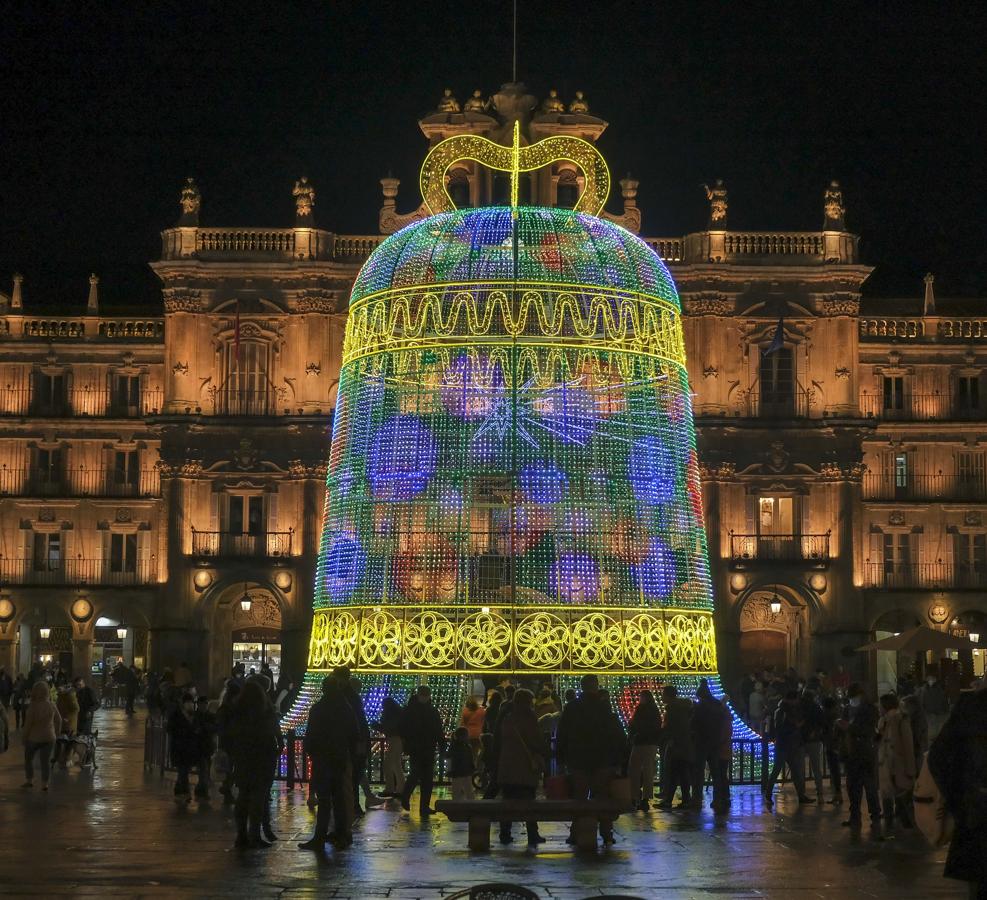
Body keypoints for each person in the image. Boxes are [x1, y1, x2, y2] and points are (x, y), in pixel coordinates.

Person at [928, 685, 987, 898]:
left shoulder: (970, 706)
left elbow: (939, 756)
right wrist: (961, 799)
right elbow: (939, 757)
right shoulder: (972, 706)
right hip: (978, 813)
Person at [556, 674, 624, 844]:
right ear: (595, 686)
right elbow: (616, 735)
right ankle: (606, 832)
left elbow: (562, 733)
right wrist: (617, 760)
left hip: (578, 759)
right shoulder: (604, 707)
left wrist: (560, 757)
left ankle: (576, 831)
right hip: (603, 760)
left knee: (579, 798)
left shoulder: (572, 708)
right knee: (602, 796)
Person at [298, 676, 358, 851]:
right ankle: (342, 834)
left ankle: (320, 836)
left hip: (322, 758)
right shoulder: (345, 708)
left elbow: (311, 733)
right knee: (339, 798)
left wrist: (311, 750)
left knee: (324, 799)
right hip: (339, 757)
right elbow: (354, 733)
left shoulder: (318, 709)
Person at [228, 679, 282, 848]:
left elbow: (230, 734)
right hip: (263, 757)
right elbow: (276, 735)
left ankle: (241, 834)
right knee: (259, 797)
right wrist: (276, 750)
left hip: (243, 758)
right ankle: (254, 834)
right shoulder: (266, 713)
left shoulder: (237, 712)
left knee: (243, 795)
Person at [496, 688, 546, 846]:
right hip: (524, 767)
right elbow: (535, 740)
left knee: (507, 802)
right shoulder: (529, 718)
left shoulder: (507, 717)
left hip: (507, 767)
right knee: (529, 803)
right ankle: (532, 833)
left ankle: (505, 832)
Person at [837, 683, 882, 835]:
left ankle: (875, 815)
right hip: (851, 753)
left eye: (853, 697)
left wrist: (848, 727)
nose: (852, 700)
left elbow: (868, 730)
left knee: (869, 786)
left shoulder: (870, 710)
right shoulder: (847, 709)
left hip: (865, 752)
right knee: (852, 787)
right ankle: (854, 815)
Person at [399, 685, 446, 817]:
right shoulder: (431, 711)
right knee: (423, 777)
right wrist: (441, 746)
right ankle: (422, 806)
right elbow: (438, 730)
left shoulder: (410, 710)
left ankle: (409, 798)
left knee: (419, 776)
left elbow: (403, 728)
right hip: (425, 747)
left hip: (419, 747)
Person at [764, 691, 812, 808]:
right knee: (779, 770)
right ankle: (769, 794)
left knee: (793, 771)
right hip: (784, 745)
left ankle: (800, 795)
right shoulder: (783, 712)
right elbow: (781, 728)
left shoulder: (782, 710)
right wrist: (796, 726)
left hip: (787, 744)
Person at [876, 692, 916, 831]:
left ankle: (907, 823)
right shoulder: (883, 721)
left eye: (880, 705)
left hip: (898, 764)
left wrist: (910, 769)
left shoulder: (900, 720)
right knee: (887, 794)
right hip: (885, 764)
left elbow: (908, 745)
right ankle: (889, 824)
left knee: (900, 795)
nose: (878, 707)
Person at [692, 681, 730, 812]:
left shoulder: (700, 707)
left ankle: (696, 799)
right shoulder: (717, 707)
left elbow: (694, 724)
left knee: (699, 773)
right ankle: (717, 799)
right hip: (715, 744)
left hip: (702, 743)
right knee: (716, 774)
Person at [658, 684, 694, 809]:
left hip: (677, 745)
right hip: (683, 745)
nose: (662, 697)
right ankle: (684, 799)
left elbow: (672, 728)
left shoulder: (674, 710)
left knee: (674, 773)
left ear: (668, 695)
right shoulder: (681, 709)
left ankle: (670, 800)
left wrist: (668, 737)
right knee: (681, 774)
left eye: (663, 694)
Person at [627, 689, 662, 811]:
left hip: (640, 742)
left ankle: (634, 796)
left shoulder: (640, 710)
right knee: (648, 770)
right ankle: (645, 798)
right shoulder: (655, 710)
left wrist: (633, 735)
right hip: (651, 743)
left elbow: (634, 724)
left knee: (634, 769)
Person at [22, 680, 61, 790]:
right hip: (49, 737)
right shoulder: (52, 705)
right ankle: (45, 784)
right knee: (45, 761)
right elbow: (59, 720)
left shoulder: (33, 706)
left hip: (33, 738)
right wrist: (56, 733)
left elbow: (28, 724)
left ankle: (29, 780)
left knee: (28, 759)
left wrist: (24, 737)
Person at [168, 693, 206, 802]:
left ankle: (183, 792)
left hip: (192, 748)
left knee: (184, 771)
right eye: (188, 702)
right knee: (183, 771)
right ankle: (182, 792)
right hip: (180, 748)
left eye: (191, 702)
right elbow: (171, 729)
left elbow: (200, 727)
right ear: (183, 704)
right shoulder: (176, 715)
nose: (190, 705)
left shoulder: (195, 715)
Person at [215, 679, 241, 804]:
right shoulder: (228, 709)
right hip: (230, 742)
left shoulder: (226, 708)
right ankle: (227, 788)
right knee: (230, 767)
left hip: (229, 742)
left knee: (230, 767)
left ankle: (227, 789)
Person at [799, 687, 827, 801]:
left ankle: (802, 792)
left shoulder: (799, 707)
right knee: (816, 767)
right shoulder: (816, 708)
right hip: (814, 740)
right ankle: (819, 791)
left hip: (801, 739)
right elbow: (822, 723)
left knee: (800, 768)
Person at [376, 696, 405, 798]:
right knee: (396, 765)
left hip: (394, 740)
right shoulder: (398, 713)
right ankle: (400, 788)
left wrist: (378, 726)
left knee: (388, 764)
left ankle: (390, 788)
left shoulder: (390, 715)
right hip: (398, 740)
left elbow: (388, 728)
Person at [821, 694, 844, 804]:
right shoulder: (837, 715)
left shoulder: (828, 717)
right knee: (835, 771)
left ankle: (838, 794)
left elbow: (827, 732)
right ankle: (837, 794)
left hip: (832, 745)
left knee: (834, 770)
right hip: (835, 745)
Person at [53, 682, 80, 768]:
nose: (58, 690)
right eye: (58, 689)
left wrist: (68, 718)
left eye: (60, 689)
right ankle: (59, 759)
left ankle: (67, 759)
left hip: (69, 724)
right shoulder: (60, 697)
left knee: (69, 742)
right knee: (60, 741)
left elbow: (76, 708)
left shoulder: (70, 696)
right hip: (61, 723)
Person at [446, 726, 475, 801]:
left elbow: (449, 758)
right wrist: (472, 767)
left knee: (457, 791)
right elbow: (470, 758)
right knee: (468, 790)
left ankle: (457, 804)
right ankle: (471, 804)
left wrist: (449, 770)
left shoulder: (454, 747)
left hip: (457, 772)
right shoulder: (467, 747)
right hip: (464, 772)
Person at [919, 670, 950, 740]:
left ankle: (936, 736)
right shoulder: (924, 689)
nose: (930, 680)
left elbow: (943, 699)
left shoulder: (939, 689)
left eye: (932, 679)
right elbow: (922, 699)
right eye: (929, 679)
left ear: (935, 679)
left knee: (936, 724)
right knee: (930, 724)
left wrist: (945, 709)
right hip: (928, 711)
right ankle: (932, 736)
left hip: (937, 711)